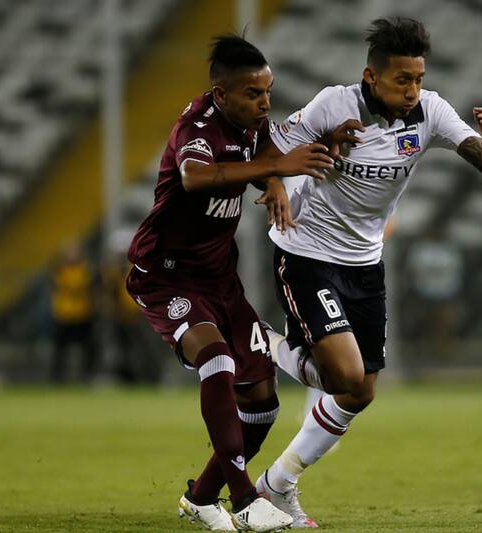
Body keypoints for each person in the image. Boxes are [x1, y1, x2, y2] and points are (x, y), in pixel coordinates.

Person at [254, 17, 482, 528]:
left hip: (365, 263)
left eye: (418, 78)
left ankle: (276, 485)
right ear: (372, 77)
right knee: (344, 375)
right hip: (306, 252)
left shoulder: (431, 111)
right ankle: (258, 341)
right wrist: (277, 185)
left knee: (359, 392)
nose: (414, 89)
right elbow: (269, 144)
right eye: (403, 80)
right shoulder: (334, 103)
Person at [125, 32, 335, 532]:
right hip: (165, 276)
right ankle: (244, 501)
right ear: (221, 94)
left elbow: (263, 161)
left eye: (268, 92)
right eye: (253, 94)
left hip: (220, 279)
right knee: (215, 359)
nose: (265, 104)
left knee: (261, 402)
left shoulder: (251, 126)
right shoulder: (196, 128)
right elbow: (196, 177)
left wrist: (279, 181)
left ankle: (200, 497)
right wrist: (278, 166)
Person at [49, 241, 98, 383]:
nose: (73, 254)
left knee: (87, 348)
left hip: (83, 314)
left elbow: (92, 290)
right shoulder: (58, 269)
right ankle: (57, 379)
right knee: (60, 350)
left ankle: (86, 377)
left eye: (75, 251)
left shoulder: (87, 269)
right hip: (63, 314)